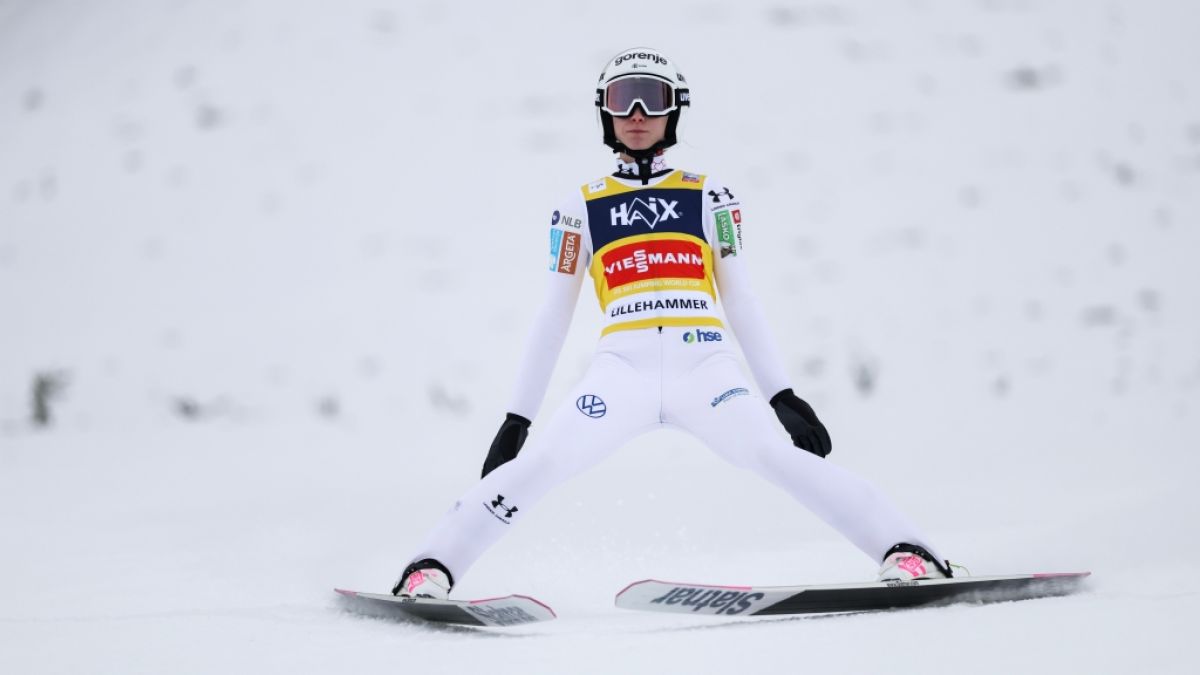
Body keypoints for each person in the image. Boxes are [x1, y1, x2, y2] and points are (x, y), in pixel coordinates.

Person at [392, 47, 952, 599]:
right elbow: (552, 316)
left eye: (651, 99)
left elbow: (742, 297)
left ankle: (907, 551)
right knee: (543, 463)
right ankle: (431, 569)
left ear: (674, 110)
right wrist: (517, 418)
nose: (636, 113)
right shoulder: (578, 208)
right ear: (604, 112)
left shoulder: (712, 196)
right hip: (621, 374)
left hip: (706, 366)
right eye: (621, 99)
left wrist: (781, 393)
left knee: (779, 457)